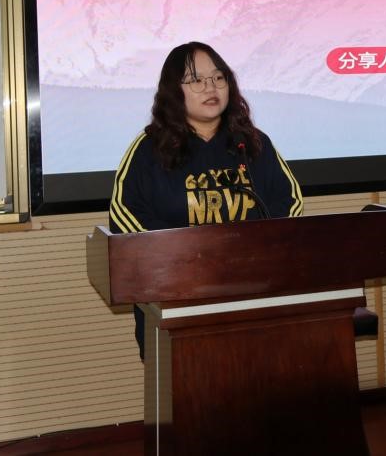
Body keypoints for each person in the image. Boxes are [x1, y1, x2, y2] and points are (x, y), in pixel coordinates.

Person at [108, 41, 303, 357]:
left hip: (250, 294)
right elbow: (124, 215)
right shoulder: (149, 149)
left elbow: (290, 201)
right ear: (174, 91)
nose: (211, 87)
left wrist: (254, 250)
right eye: (196, 80)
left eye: (218, 77)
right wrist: (189, 256)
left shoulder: (253, 143)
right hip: (176, 299)